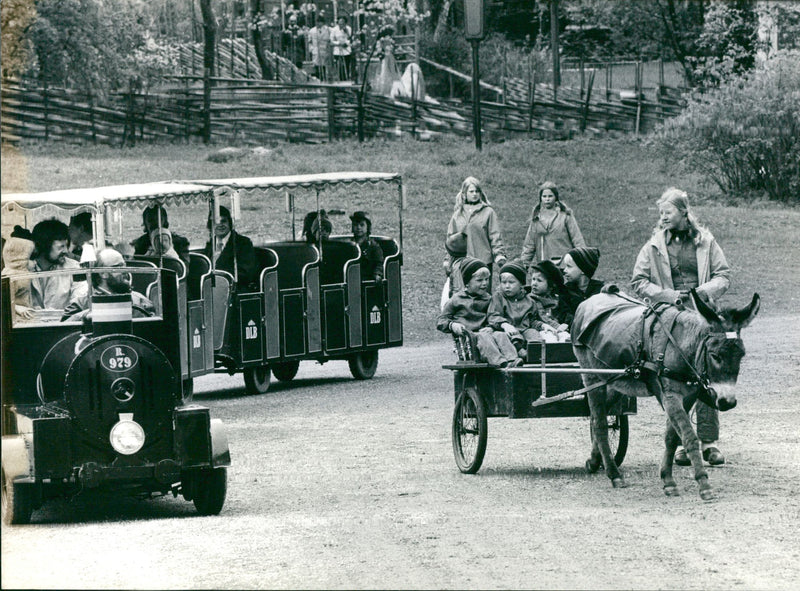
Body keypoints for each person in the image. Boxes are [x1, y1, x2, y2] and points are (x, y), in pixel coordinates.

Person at [631, 187, 731, 466]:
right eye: (661, 213)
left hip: (703, 316)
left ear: (684, 212)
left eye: (668, 212)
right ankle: (682, 445)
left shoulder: (706, 241)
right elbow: (638, 281)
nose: (663, 217)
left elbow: (723, 276)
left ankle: (709, 443)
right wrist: (667, 295)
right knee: (675, 379)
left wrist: (701, 293)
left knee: (706, 375)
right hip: (669, 318)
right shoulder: (653, 246)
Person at [437, 258, 521, 368]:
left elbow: (493, 316)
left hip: (486, 334)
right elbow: (441, 320)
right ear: (467, 282)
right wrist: (452, 325)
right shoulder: (456, 299)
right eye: (479, 280)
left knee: (500, 335)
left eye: (487, 279)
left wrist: (492, 327)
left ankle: (513, 360)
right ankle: (500, 363)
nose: (485, 283)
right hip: (468, 339)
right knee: (483, 336)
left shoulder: (489, 299)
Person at [487, 261, 565, 358]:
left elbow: (532, 320)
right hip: (507, 330)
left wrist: (543, 325)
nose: (507, 286)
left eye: (511, 282)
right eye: (504, 282)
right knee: (509, 336)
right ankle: (520, 353)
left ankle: (537, 356)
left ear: (521, 284)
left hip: (525, 330)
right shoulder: (498, 297)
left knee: (533, 333)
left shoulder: (529, 300)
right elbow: (493, 315)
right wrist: (505, 324)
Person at [445, 177, 506, 289]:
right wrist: (447, 259)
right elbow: (451, 239)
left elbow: (495, 235)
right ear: (464, 193)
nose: (474, 194)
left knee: (483, 292)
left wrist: (499, 254)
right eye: (471, 191)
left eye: (477, 191)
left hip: (482, 260)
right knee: (463, 293)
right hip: (462, 262)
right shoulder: (458, 214)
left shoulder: (488, 212)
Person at [62, 248, 154, 320]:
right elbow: (63, 334)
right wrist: (87, 315)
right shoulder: (81, 304)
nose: (125, 270)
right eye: (118, 267)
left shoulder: (140, 300)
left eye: (125, 265)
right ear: (102, 273)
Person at [518, 181, 585, 275]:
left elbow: (577, 239)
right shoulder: (536, 219)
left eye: (550, 196)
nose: (547, 199)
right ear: (540, 198)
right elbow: (529, 245)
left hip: (564, 265)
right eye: (544, 196)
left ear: (556, 197)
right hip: (544, 265)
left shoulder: (566, 216)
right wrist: (523, 265)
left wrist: (583, 261)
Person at [29, 218, 83, 310]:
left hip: (64, 321)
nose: (66, 251)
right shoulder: (24, 268)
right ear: (44, 246)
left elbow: (80, 297)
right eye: (61, 247)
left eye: (66, 246)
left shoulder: (75, 267)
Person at [204, 205, 257, 290]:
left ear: (230, 223)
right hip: (210, 288)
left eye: (223, 221)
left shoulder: (243, 243)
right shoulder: (210, 244)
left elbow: (245, 272)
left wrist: (220, 278)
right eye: (216, 222)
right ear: (210, 225)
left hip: (235, 290)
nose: (220, 225)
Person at [559, 246, 604, 326]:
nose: (565, 270)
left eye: (569, 266)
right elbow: (564, 315)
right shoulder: (565, 291)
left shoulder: (600, 290)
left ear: (583, 269)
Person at [528, 260, 571, 341]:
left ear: (550, 286)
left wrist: (565, 324)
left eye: (539, 280)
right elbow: (540, 317)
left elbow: (565, 314)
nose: (534, 283)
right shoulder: (531, 299)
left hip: (557, 328)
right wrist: (556, 326)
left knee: (566, 337)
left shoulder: (556, 299)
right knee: (550, 339)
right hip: (541, 330)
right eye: (533, 279)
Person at [1, 225, 35, 320]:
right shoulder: (10, 275)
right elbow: (3, 301)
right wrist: (17, 308)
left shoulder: (23, 274)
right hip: (12, 319)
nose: (34, 262)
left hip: (24, 317)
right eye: (30, 258)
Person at [350, 211, 384, 281]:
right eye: (356, 225)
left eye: (362, 225)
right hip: (352, 277)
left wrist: (377, 274)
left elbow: (379, 263)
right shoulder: (349, 244)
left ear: (367, 227)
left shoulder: (373, 246)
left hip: (367, 278)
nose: (358, 228)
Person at [443, 232, 468, 299]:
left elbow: (458, 291)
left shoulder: (457, 269)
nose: (445, 255)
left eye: (447, 252)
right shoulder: (456, 266)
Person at [331, 16, 352, 81]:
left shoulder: (348, 28)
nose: (341, 25)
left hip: (346, 50)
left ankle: (346, 78)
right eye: (339, 23)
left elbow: (350, 38)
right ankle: (339, 79)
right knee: (339, 66)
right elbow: (331, 40)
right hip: (338, 49)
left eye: (342, 23)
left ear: (345, 23)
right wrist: (338, 43)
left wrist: (346, 43)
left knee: (346, 65)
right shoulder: (334, 29)